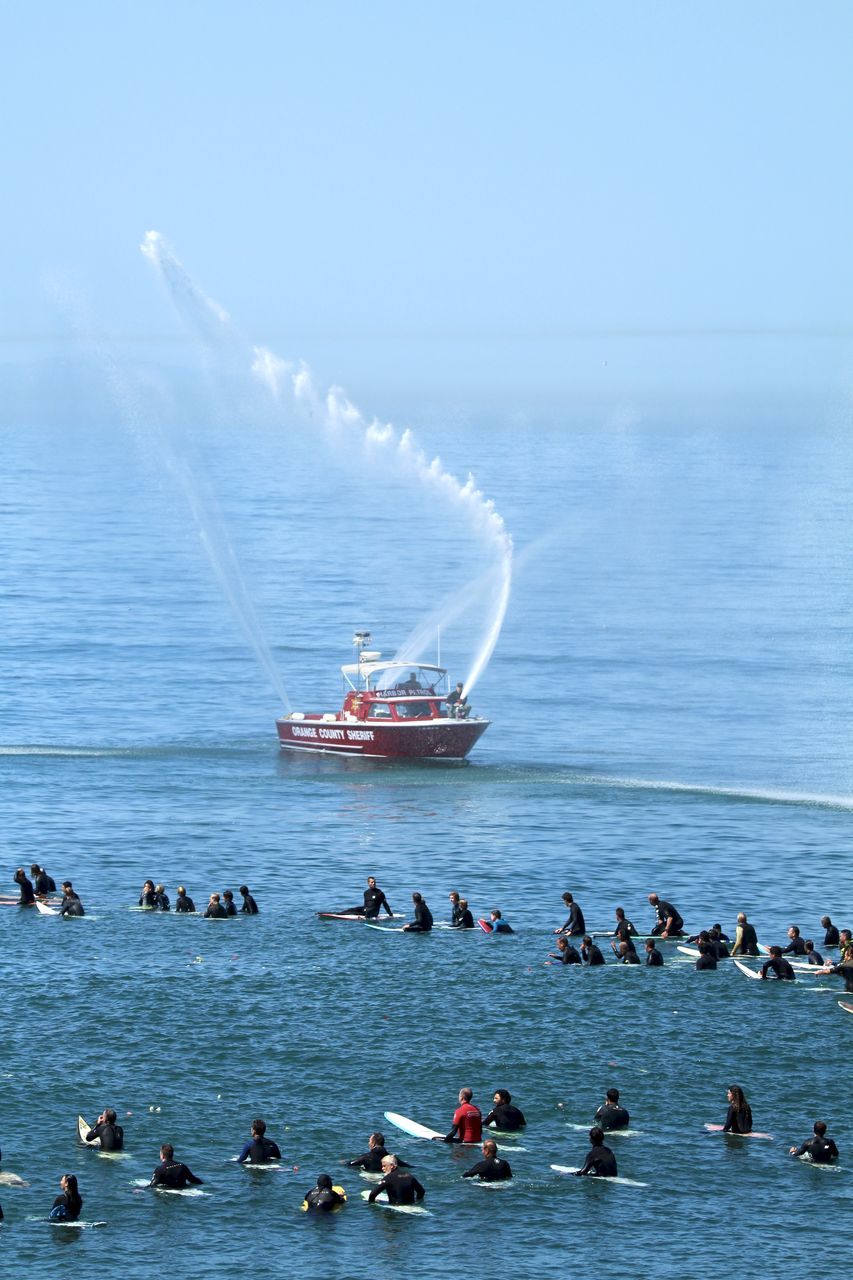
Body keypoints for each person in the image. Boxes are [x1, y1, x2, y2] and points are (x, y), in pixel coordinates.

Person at [346, 1132, 410, 1172]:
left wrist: (344, 1162)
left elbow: (350, 1164)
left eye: (369, 1141)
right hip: (385, 1178)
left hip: (370, 1179)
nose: (368, 1143)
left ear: (373, 1143)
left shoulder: (366, 1157)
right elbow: (407, 1166)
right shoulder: (392, 1159)